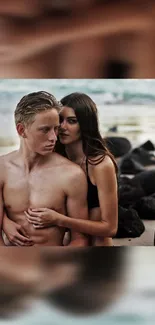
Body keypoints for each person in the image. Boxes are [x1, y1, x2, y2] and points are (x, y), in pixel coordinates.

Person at [25, 93, 118, 246]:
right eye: (60, 120)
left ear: (86, 125)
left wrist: (59, 219)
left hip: (97, 245)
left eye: (72, 121)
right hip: (71, 239)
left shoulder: (100, 165)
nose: (62, 127)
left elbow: (110, 228)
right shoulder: (54, 156)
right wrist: (8, 223)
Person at [2, 91, 88, 246]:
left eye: (55, 128)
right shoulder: (2, 169)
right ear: (21, 130)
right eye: (45, 130)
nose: (54, 137)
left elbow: (80, 239)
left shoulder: (71, 175)